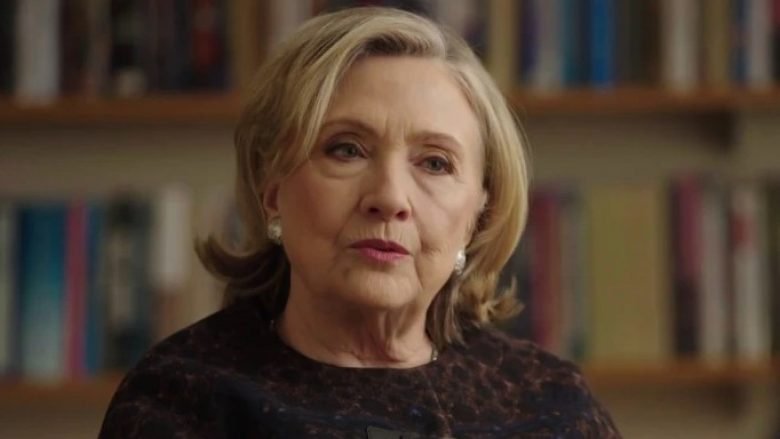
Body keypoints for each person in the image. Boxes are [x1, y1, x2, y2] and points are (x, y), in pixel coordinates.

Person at [99, 7, 620, 438]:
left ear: (477, 216)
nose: (389, 198)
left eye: (435, 163)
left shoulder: (553, 406)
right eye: (346, 150)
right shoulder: (183, 399)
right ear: (272, 190)